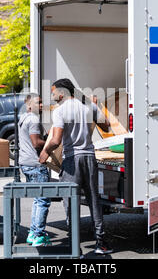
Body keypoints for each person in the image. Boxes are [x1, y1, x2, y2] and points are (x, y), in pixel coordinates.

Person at [39, 78, 113, 255]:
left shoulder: (60, 111)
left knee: (71, 202)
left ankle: (75, 246)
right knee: (94, 200)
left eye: (53, 91)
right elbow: (106, 126)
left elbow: (56, 140)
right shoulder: (88, 107)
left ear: (62, 93)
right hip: (89, 158)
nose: (52, 95)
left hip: (72, 160)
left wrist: (45, 152)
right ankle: (101, 242)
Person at [18, 93, 51, 247]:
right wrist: (51, 143)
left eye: (42, 102)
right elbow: (36, 143)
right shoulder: (33, 118)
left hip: (25, 163)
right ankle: (38, 235)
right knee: (43, 200)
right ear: (29, 106)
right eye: (38, 103)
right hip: (35, 165)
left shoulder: (23, 118)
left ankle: (33, 232)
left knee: (38, 200)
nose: (41, 105)